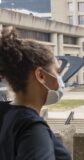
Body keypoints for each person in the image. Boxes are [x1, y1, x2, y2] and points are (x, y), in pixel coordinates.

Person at [0, 29, 71, 160]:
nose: (60, 79)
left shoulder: (7, 115)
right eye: (57, 72)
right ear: (41, 75)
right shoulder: (33, 129)